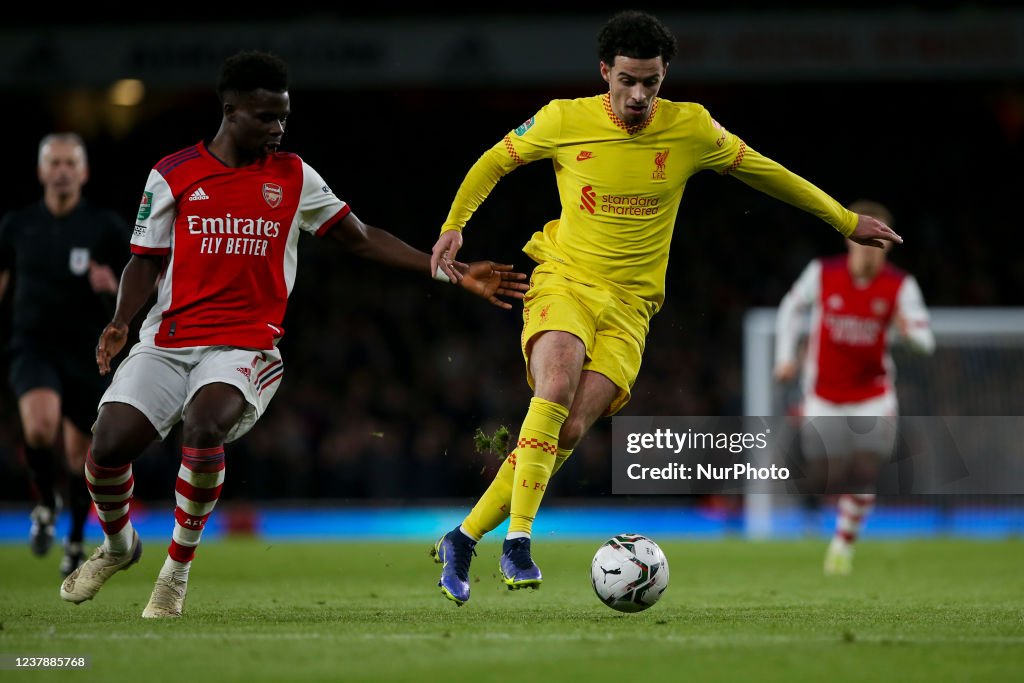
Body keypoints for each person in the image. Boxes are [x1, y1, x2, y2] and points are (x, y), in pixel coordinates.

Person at [428, 10, 903, 606]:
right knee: (552, 387)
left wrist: (845, 220)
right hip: (565, 279)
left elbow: (766, 172)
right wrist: (454, 226)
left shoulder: (691, 129)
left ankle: (463, 537)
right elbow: (495, 160)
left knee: (569, 429)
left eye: (650, 82)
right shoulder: (561, 119)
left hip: (632, 306)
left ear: (664, 77)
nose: (638, 95)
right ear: (605, 72)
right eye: (627, 80)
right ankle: (518, 540)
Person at [58, 49, 529, 619]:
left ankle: (174, 574)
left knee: (204, 424)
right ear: (231, 112)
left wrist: (445, 269)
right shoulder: (174, 173)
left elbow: (358, 236)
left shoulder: (294, 176)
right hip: (167, 340)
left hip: (244, 347)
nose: (278, 128)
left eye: (284, 116)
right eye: (265, 117)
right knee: (106, 447)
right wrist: (119, 321)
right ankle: (117, 546)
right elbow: (144, 260)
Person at [773, 199, 934, 576]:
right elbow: (790, 307)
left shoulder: (900, 286)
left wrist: (911, 335)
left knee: (863, 469)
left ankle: (842, 546)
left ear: (890, 244)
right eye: (863, 240)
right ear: (849, 239)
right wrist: (785, 356)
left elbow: (928, 343)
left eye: (879, 243)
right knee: (826, 471)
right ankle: (821, 515)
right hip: (824, 393)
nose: (869, 251)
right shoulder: (822, 273)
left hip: (873, 395)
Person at [0, 132, 130, 577]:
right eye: (53, 162)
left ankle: (75, 539)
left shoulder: (105, 227)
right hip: (32, 346)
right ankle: (43, 503)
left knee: (80, 459)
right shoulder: (16, 226)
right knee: (39, 427)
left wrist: (111, 290)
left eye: (69, 163)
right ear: (40, 171)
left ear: (84, 172)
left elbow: (136, 286)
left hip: (87, 353)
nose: (61, 171)